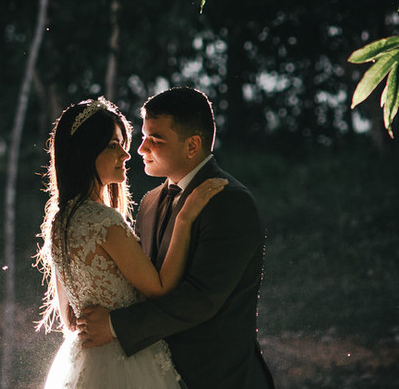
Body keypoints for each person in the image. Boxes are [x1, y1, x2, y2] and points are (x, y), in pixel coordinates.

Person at [76, 87, 275, 389]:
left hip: (217, 378)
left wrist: (115, 326)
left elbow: (201, 298)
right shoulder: (149, 202)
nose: (141, 149)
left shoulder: (229, 202)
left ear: (193, 145)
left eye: (155, 140)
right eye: (143, 136)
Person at [35, 96, 227, 389]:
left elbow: (70, 318)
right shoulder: (104, 222)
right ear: (85, 153)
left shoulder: (59, 222)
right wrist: (185, 219)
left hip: (84, 361)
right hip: (128, 361)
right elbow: (160, 288)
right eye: (113, 145)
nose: (126, 155)